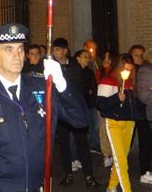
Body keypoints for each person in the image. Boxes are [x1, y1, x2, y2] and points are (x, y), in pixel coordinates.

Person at [0, 23, 87, 191]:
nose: (17, 55)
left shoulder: (41, 88)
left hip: (36, 186)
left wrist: (62, 84)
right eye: (9, 49)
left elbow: (80, 120)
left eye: (20, 49)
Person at [52, 40, 99, 187]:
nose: (55, 52)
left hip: (76, 110)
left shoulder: (74, 66)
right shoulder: (51, 66)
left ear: (65, 50)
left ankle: (89, 176)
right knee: (64, 144)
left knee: (82, 143)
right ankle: (68, 174)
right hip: (60, 111)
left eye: (58, 50)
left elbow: (79, 88)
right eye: (54, 50)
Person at [96, 53, 140, 192]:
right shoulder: (107, 81)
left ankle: (111, 186)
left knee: (121, 158)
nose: (128, 72)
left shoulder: (130, 83)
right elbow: (100, 104)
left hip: (129, 123)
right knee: (121, 160)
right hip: (114, 122)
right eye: (125, 69)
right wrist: (117, 98)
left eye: (130, 69)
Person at [131, 45, 152, 185]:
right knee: (145, 143)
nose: (138, 57)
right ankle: (145, 171)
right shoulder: (145, 70)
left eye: (140, 54)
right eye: (135, 55)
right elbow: (144, 95)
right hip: (142, 112)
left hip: (144, 111)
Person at [96, 51, 117, 168]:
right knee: (103, 130)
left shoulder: (116, 72)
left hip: (114, 104)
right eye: (105, 58)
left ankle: (114, 154)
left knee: (113, 130)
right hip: (103, 104)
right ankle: (106, 154)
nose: (106, 61)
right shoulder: (100, 72)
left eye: (109, 59)